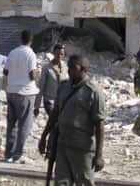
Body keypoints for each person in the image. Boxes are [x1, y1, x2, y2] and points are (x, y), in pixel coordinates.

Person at [38, 55, 106, 186]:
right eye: (68, 67)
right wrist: (44, 136)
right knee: (61, 182)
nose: (69, 71)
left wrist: (99, 155)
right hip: (63, 144)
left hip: (82, 149)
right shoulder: (64, 87)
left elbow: (99, 125)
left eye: (74, 68)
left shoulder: (93, 92)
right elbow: (55, 114)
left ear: (84, 69)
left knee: (84, 182)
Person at [4, 30, 39, 162]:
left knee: (11, 124)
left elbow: (5, 71)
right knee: (24, 124)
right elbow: (32, 76)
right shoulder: (31, 54)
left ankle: (8, 153)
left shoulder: (12, 52)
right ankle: (18, 154)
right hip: (26, 92)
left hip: (11, 90)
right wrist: (37, 74)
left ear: (21, 39)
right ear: (31, 40)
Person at [35, 44, 67, 120]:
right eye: (57, 54)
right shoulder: (46, 68)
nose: (59, 56)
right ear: (53, 53)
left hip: (61, 101)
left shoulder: (64, 66)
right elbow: (41, 87)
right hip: (50, 101)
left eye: (61, 54)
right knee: (55, 119)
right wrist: (37, 106)